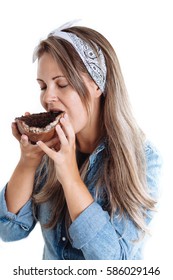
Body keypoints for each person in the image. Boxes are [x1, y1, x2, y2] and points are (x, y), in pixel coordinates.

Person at [0, 22, 162, 260]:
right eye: (43, 86)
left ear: (97, 84)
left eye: (62, 84)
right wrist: (28, 162)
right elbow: (9, 231)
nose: (47, 97)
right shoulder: (49, 149)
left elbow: (115, 262)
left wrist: (69, 176)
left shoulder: (143, 158)